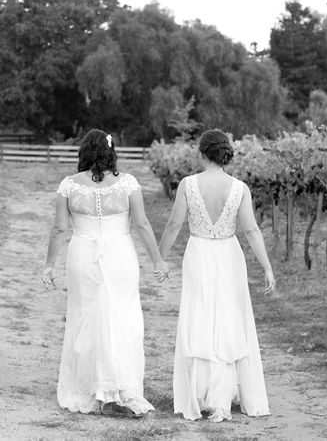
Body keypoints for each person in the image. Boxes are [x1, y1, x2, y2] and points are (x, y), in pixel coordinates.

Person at [41, 129, 170, 417]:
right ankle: (120, 388)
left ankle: (91, 389)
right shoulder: (127, 184)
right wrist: (158, 261)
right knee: (122, 318)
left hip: (82, 255)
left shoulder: (69, 185)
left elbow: (61, 228)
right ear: (112, 152)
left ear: (83, 152)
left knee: (85, 317)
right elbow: (142, 225)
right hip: (120, 255)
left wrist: (49, 265)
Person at [157, 128, 275, 422]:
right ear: (226, 154)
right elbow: (251, 230)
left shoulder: (187, 184)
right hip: (228, 254)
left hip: (198, 252)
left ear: (202, 152)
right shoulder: (239, 188)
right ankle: (220, 397)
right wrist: (268, 268)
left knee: (199, 316)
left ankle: (198, 394)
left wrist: (159, 258)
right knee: (228, 319)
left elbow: (173, 226)